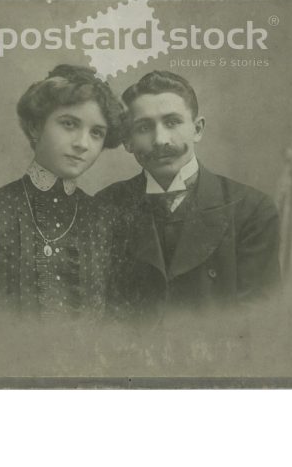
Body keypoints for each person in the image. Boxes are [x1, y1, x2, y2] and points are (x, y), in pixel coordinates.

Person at [0, 64, 123, 318]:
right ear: (35, 126)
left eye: (96, 133)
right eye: (68, 124)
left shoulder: (105, 222)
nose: (82, 144)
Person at [97, 70, 280, 320]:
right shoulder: (104, 207)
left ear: (197, 129)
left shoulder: (252, 210)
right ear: (127, 141)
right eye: (143, 127)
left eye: (172, 122)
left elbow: (260, 321)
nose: (161, 140)